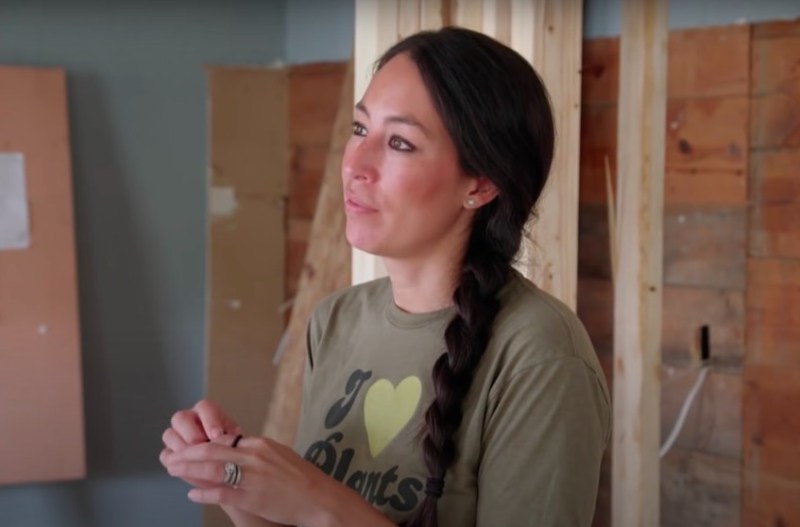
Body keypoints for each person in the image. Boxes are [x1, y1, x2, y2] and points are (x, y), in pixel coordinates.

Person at [161, 26, 610, 527]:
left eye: (399, 142)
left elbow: (319, 514)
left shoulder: (541, 356)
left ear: (480, 185)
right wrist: (235, 480)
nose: (355, 164)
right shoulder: (335, 320)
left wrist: (319, 502)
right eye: (359, 129)